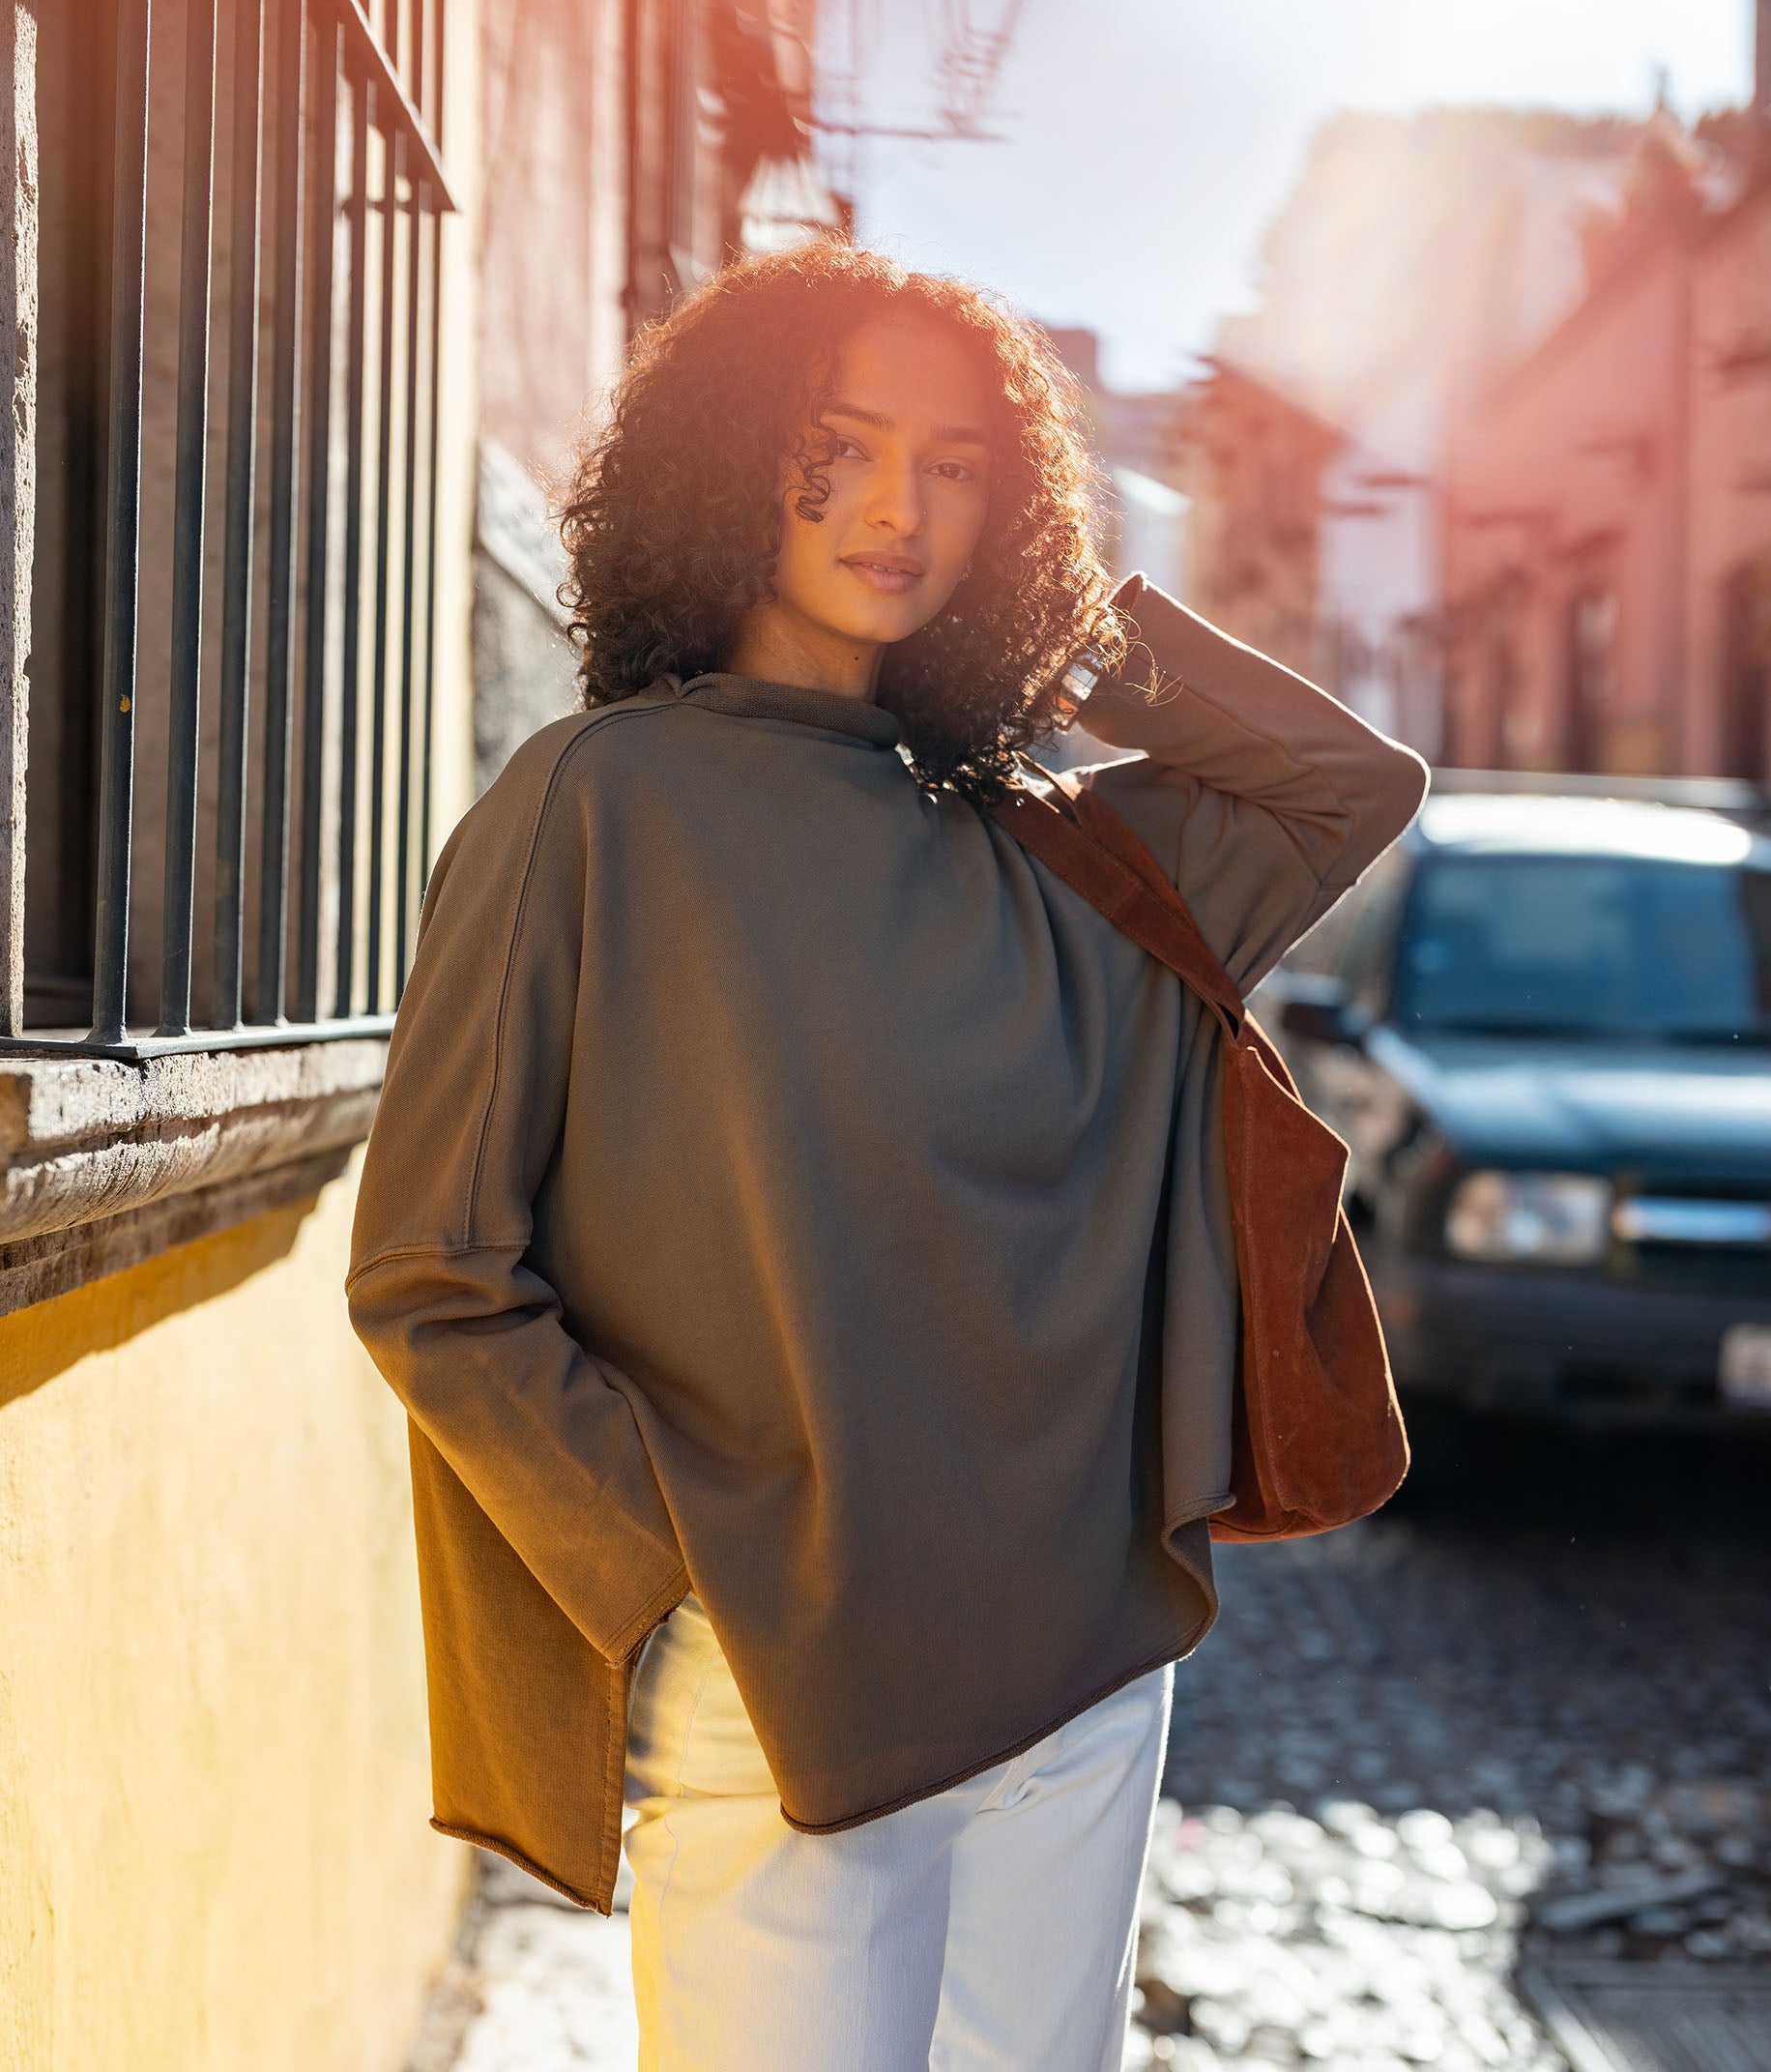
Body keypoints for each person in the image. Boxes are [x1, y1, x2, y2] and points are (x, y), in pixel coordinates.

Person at [347, 242, 1427, 2072]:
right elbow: (434, 1272)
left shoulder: (1063, 853)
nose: (893, 508)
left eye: (955, 469)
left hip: (1086, 1679)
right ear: (724, 459)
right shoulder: (594, 803)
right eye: (832, 446)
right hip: (782, 1690)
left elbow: (1351, 788)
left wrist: (1076, 627)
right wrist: (687, 1576)